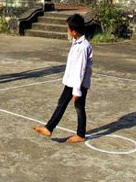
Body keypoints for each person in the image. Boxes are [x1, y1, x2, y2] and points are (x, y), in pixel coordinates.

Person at [32, 13, 93, 143]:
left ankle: (80, 134)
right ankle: (49, 128)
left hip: (78, 83)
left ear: (74, 31)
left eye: (68, 29)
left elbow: (80, 70)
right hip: (72, 81)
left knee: (79, 106)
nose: (67, 31)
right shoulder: (77, 42)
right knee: (63, 103)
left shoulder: (82, 47)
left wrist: (77, 90)